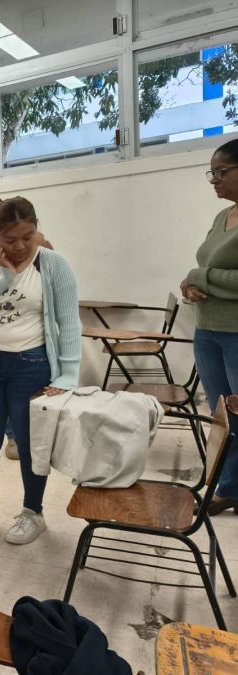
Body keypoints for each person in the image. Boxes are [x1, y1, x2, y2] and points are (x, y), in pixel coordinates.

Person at [0, 196, 80, 545]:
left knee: (29, 445)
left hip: (32, 366)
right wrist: (2, 278)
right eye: (11, 240)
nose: (22, 246)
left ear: (36, 228)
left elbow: (69, 322)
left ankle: (32, 512)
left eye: (28, 235)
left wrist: (67, 375)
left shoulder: (53, 264)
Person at [0, 195, 55, 461]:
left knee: (22, 403)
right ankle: (10, 437)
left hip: (29, 347)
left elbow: (50, 287)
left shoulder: (36, 242)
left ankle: (19, 439)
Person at [182, 138, 238, 515]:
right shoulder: (223, 217)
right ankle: (227, 482)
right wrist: (189, 286)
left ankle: (229, 487)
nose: (214, 180)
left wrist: (200, 275)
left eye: (222, 172)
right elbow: (204, 273)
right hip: (207, 330)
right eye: (212, 173)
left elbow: (207, 271)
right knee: (222, 414)